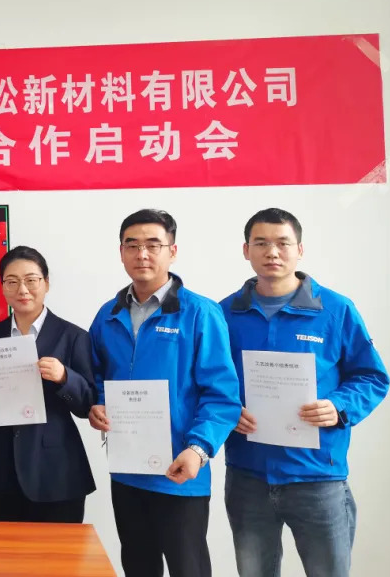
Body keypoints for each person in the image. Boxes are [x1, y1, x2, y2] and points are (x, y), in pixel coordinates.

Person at [220, 208, 390, 577]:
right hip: (248, 476)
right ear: (246, 250)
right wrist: (228, 411)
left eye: (282, 243)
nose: (272, 252)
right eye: (261, 243)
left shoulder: (336, 310)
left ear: (299, 250)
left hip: (317, 477)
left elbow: (372, 377)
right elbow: (211, 383)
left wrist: (338, 405)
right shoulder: (224, 314)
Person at [86, 208, 239, 577]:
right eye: (132, 245)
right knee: (138, 566)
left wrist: (198, 449)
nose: (142, 254)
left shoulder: (200, 313)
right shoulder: (107, 315)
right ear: (121, 252)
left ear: (173, 251)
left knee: (189, 568)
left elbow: (222, 396)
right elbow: (96, 377)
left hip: (180, 471)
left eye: (153, 245)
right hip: (127, 471)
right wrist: (98, 406)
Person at [0, 246, 97, 522]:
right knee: (8, 549)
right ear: (2, 287)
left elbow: (88, 404)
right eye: (12, 281)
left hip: (57, 469)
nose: (22, 289)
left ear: (46, 283)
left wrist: (65, 377)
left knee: (60, 549)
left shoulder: (73, 336)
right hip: (1, 466)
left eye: (31, 280)